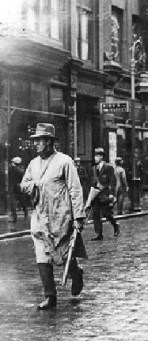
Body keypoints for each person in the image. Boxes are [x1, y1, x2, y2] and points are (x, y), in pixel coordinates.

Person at [20, 123, 86, 310]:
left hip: (60, 216)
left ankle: (76, 273)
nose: (36, 144)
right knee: (41, 254)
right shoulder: (33, 164)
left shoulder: (64, 161)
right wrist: (33, 185)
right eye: (36, 141)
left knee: (64, 253)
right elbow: (23, 184)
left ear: (49, 142)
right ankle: (50, 296)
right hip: (40, 216)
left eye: (40, 141)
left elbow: (75, 189)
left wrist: (78, 216)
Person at [89, 147, 120, 241]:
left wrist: (111, 193)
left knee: (106, 213)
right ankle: (98, 233)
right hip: (96, 194)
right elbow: (92, 181)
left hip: (105, 194)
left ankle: (115, 225)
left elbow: (112, 181)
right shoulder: (94, 168)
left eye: (97, 156)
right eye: (95, 156)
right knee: (96, 214)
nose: (95, 158)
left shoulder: (108, 167)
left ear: (101, 157)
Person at [8, 156, 28, 222]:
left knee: (17, 203)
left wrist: (13, 167)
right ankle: (22, 215)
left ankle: (19, 216)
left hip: (16, 188)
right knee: (19, 203)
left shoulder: (15, 169)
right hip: (18, 188)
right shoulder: (20, 169)